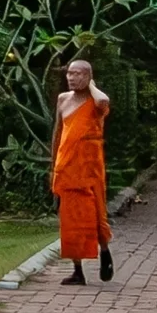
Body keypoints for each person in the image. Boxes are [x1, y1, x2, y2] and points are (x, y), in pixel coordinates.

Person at [51, 56, 113, 284]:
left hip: (89, 169)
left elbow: (103, 100)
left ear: (88, 77)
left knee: (95, 215)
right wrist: (53, 166)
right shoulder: (63, 99)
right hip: (67, 168)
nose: (72, 78)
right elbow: (58, 133)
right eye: (69, 73)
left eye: (78, 74)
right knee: (70, 221)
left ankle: (104, 251)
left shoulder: (95, 102)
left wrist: (93, 86)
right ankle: (77, 270)